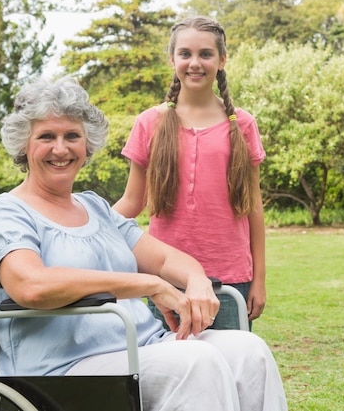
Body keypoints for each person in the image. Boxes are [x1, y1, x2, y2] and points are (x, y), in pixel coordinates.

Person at [0, 76, 288, 411]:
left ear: (86, 144)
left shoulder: (95, 208)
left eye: (72, 136)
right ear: (23, 144)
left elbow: (165, 260)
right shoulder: (6, 213)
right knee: (195, 360)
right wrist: (145, 284)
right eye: (46, 136)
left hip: (141, 347)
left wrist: (195, 279)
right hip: (61, 369)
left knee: (248, 351)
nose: (61, 149)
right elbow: (31, 286)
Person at [113, 16, 266, 330]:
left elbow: (253, 208)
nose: (195, 63)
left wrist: (259, 280)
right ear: (172, 59)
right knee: (171, 369)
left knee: (229, 370)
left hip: (230, 280)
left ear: (222, 60)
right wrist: (84, 223)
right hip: (165, 281)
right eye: (185, 54)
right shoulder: (148, 123)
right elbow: (132, 202)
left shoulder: (243, 124)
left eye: (205, 54)